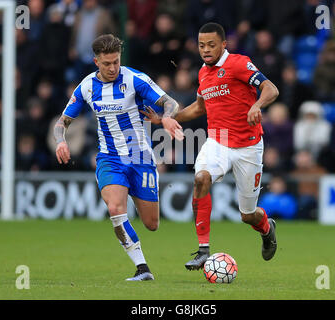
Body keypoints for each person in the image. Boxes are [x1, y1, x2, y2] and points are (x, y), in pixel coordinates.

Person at [142, 23, 279, 269]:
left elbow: (271, 89)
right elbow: (198, 108)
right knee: (201, 178)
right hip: (218, 141)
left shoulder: (238, 63)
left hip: (249, 146)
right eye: (201, 45)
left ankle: (267, 229)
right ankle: (203, 250)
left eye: (211, 45)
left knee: (248, 215)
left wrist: (257, 106)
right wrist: (167, 118)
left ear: (224, 44)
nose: (205, 50)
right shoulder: (204, 73)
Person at [54, 34, 183, 281]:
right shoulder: (87, 86)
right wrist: (61, 140)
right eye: (107, 63)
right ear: (96, 62)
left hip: (141, 157)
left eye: (116, 61)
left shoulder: (135, 79)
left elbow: (171, 103)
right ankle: (142, 268)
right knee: (115, 208)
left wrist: (166, 116)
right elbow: (62, 122)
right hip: (110, 158)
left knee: (151, 223)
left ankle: (135, 206)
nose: (113, 68)